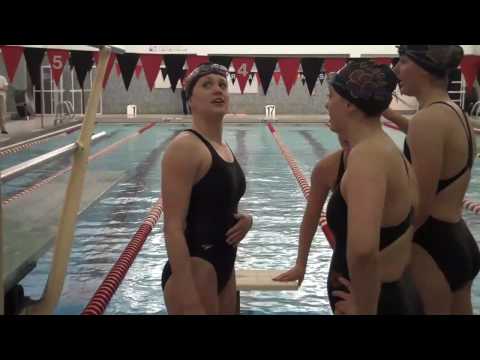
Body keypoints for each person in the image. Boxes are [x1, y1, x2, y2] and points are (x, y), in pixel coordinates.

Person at [275, 60, 422, 315]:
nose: (326, 104)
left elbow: (363, 250)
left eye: (331, 96)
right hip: (393, 291)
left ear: (349, 104)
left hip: (374, 301)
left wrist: (364, 308)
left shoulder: (367, 158)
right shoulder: (388, 150)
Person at [383, 45, 480, 314]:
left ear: (423, 69)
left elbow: (421, 205)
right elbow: (421, 135)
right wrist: (387, 113)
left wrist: (388, 248)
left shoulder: (428, 120)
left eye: (402, 62)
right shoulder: (451, 112)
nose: (396, 70)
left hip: (431, 245)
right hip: (458, 239)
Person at [161, 63, 253, 315]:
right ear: (190, 100)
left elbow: (216, 202)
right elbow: (172, 227)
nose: (218, 90)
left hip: (224, 265)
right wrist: (187, 293)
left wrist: (246, 220)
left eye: (223, 85)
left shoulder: (223, 148)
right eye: (207, 84)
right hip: (195, 268)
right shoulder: (185, 147)